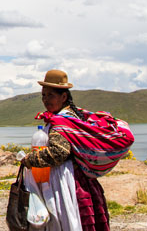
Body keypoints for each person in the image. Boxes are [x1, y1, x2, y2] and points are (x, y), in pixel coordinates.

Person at [19, 69, 110, 231]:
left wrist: (30, 159)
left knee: (65, 221)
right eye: (43, 95)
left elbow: (59, 153)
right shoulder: (72, 117)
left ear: (63, 97)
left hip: (66, 182)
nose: (45, 100)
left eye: (50, 95)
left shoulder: (62, 121)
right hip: (79, 180)